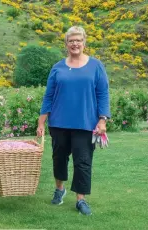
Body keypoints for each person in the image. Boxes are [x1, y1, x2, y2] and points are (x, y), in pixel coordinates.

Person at [37, 26, 110, 215]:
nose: (75, 43)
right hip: (59, 123)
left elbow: (103, 94)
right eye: (71, 40)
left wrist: (102, 120)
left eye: (78, 40)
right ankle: (59, 189)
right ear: (66, 44)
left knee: (83, 161)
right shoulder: (58, 67)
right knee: (59, 159)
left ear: (84, 43)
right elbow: (49, 95)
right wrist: (41, 122)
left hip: (85, 123)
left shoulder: (96, 66)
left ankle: (81, 200)